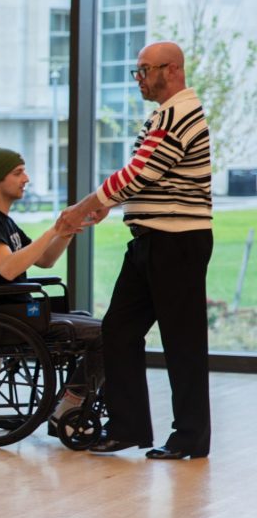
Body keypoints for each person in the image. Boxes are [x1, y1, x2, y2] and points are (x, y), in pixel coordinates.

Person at [59, 41, 212, 460]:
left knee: (182, 342)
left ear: (172, 69)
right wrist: (114, 206)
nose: (139, 78)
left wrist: (85, 206)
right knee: (119, 330)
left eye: (145, 70)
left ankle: (190, 438)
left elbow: (139, 173)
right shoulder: (165, 114)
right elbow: (145, 180)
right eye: (138, 71)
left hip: (176, 241)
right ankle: (127, 426)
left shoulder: (179, 112)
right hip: (152, 238)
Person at [0, 148, 104, 429]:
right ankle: (69, 406)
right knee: (109, 333)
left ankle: (71, 403)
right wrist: (52, 231)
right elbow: (7, 267)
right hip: (14, 318)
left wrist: (65, 231)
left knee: (106, 327)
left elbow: (44, 259)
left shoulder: (4, 222)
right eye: (18, 173)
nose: (26, 178)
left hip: (25, 313)